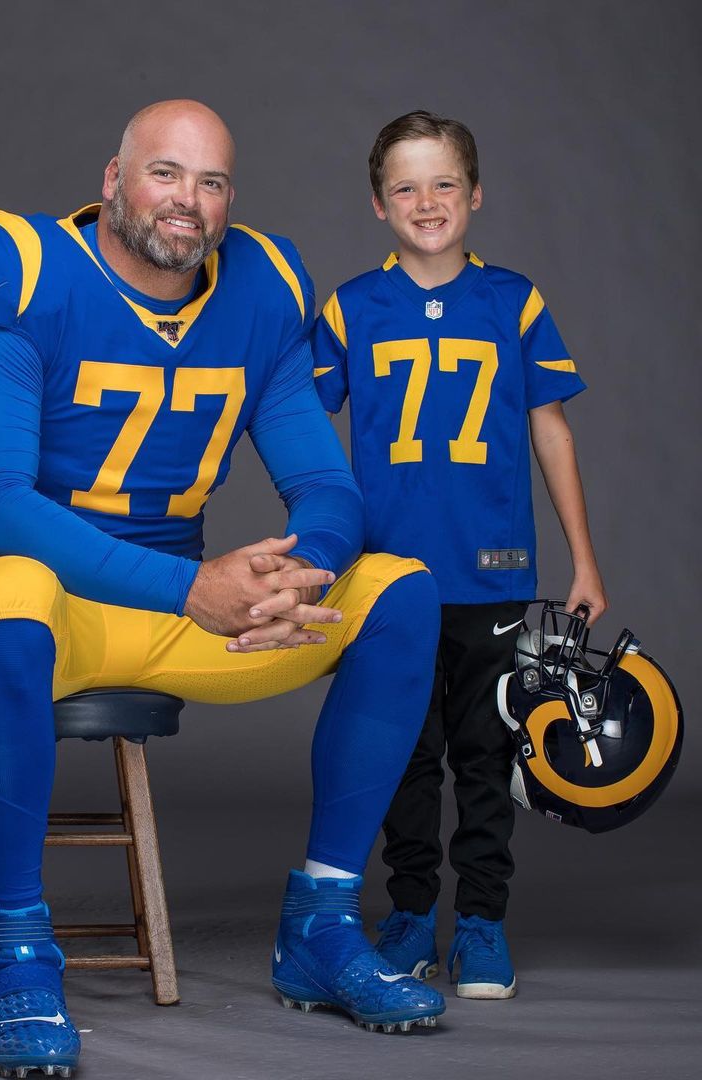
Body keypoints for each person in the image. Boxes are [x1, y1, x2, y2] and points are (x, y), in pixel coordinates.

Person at [0, 100, 445, 1078]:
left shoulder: (262, 285)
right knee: (16, 593)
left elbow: (326, 485)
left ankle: (322, 927)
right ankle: (18, 952)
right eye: (165, 174)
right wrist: (191, 587)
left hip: (182, 609)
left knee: (401, 591)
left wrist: (303, 570)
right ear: (112, 180)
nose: (188, 202)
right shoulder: (26, 269)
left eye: (211, 183)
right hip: (48, 603)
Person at [310, 110, 607, 1000]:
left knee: (487, 751)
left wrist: (583, 560)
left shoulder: (513, 299)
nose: (426, 201)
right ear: (377, 203)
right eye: (405, 186)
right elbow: (294, 420)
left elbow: (550, 429)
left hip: (494, 570)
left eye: (444, 183)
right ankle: (407, 914)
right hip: (389, 575)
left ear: (474, 195)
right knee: (402, 748)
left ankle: (479, 921)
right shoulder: (350, 306)